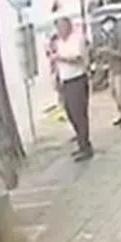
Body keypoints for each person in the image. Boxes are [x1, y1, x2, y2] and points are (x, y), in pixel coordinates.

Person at [51, 15, 94, 161]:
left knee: (79, 114)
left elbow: (78, 59)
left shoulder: (77, 39)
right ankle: (81, 141)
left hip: (77, 79)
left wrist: (60, 58)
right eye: (58, 28)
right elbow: (57, 64)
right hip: (66, 81)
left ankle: (86, 146)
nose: (60, 30)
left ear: (68, 26)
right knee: (70, 113)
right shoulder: (58, 42)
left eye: (62, 27)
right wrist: (56, 78)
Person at [97, 15, 121, 128]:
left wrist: (109, 51)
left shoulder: (120, 37)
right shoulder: (108, 38)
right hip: (113, 68)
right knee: (114, 93)